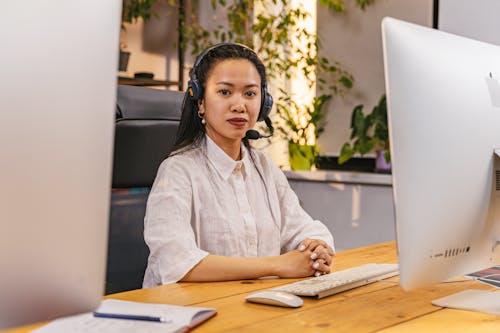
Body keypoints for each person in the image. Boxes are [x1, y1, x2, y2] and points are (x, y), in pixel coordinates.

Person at [143, 43, 334, 287]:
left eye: (250, 93)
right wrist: (279, 265)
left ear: (263, 103)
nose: (239, 105)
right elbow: (177, 263)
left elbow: (303, 228)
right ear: (200, 101)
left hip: (250, 304)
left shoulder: (263, 168)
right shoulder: (178, 171)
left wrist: (316, 247)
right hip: (186, 312)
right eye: (224, 92)